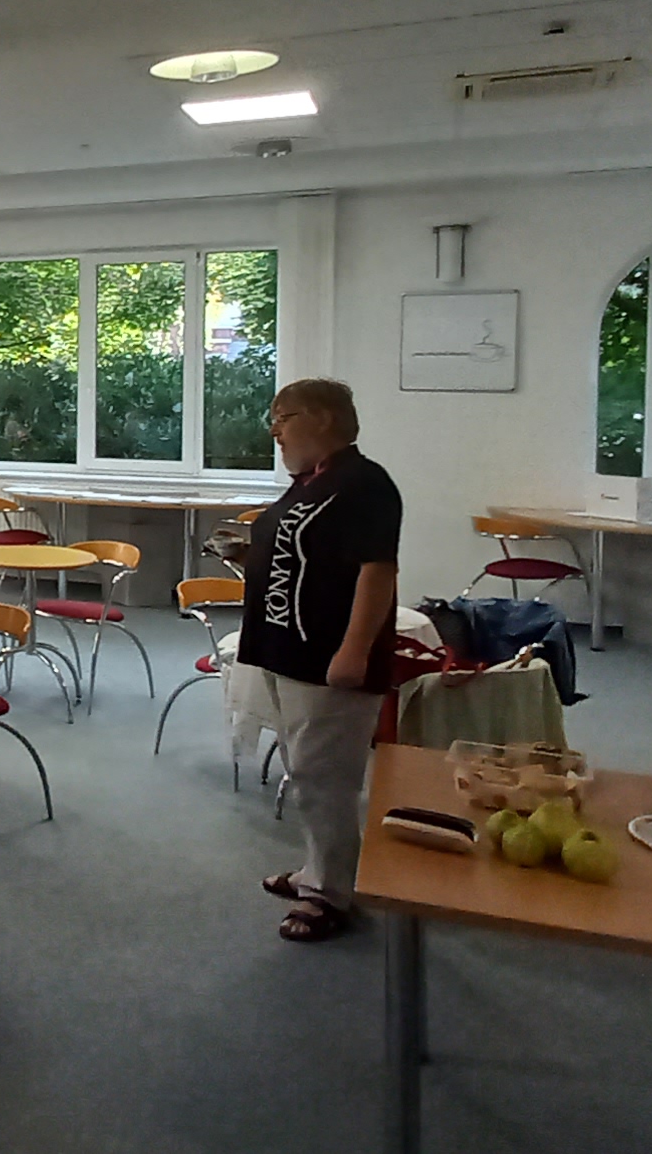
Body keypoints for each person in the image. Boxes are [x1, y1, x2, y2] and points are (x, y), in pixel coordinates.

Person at [239, 379, 403, 943]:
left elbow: (377, 571)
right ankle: (319, 869)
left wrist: (354, 650)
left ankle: (331, 895)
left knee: (325, 777)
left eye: (283, 417)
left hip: (327, 655)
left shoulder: (364, 482)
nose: (275, 430)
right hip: (284, 649)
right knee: (304, 769)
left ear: (325, 418)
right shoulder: (312, 481)